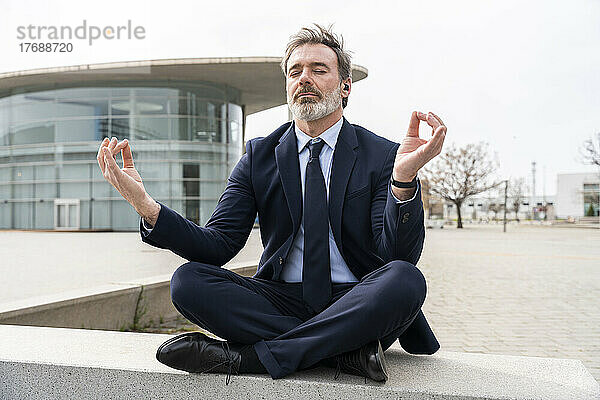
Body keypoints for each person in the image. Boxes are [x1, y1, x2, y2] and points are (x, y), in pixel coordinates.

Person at [97, 24, 446, 384]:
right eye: (295, 72)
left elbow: (394, 254)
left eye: (318, 70)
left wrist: (403, 183)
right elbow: (217, 246)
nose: (304, 78)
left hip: (356, 299)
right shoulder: (259, 156)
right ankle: (348, 352)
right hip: (280, 298)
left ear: (345, 87)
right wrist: (147, 208)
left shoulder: (382, 155)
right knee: (188, 281)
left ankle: (248, 360)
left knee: (405, 279)